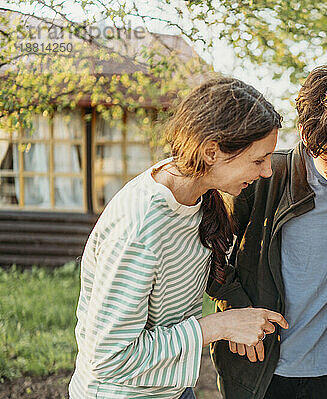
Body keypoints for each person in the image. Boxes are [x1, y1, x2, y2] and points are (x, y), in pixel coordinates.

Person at [68, 76, 289, 399]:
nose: (267, 171)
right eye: (258, 160)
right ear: (211, 151)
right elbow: (109, 359)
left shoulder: (197, 196)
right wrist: (220, 326)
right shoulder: (141, 228)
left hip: (170, 390)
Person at [207, 63, 327, 399]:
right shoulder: (262, 177)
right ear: (307, 136)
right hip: (257, 358)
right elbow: (209, 253)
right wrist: (235, 311)